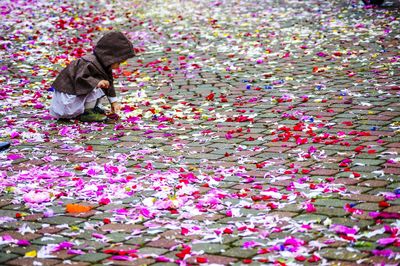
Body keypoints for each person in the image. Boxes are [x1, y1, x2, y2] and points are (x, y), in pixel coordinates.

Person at [49, 31, 135, 122]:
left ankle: (92, 108)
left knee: (104, 84)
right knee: (99, 85)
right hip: (69, 98)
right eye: (118, 62)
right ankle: (87, 112)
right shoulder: (89, 63)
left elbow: (110, 84)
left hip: (77, 94)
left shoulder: (104, 64)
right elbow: (80, 79)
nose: (118, 67)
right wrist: (97, 82)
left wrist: (113, 102)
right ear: (110, 57)